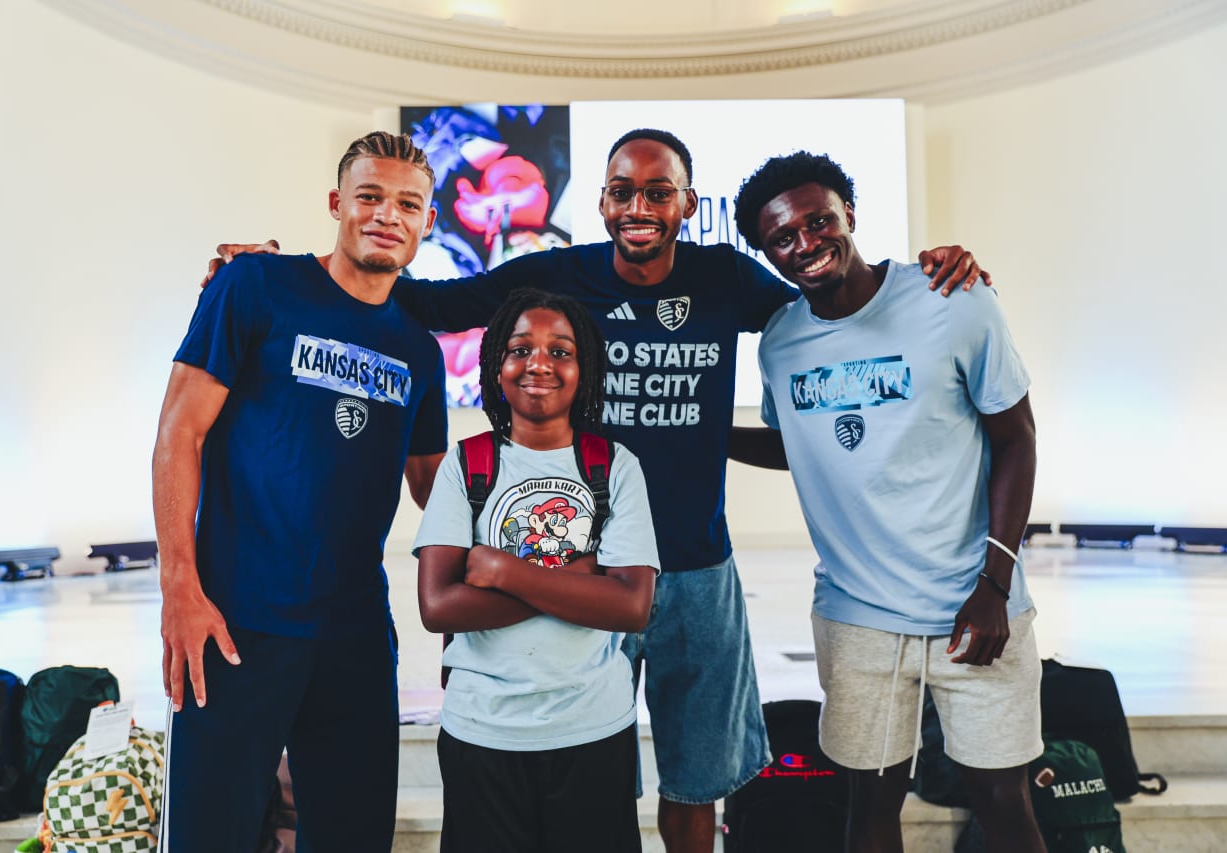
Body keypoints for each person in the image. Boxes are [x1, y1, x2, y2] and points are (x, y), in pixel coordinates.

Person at [203, 127, 990, 852]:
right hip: (576, 566)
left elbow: (831, 293)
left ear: (687, 201)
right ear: (602, 200)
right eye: (622, 190)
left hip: (694, 571)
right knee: (590, 766)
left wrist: (922, 278)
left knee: (694, 778)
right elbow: (428, 299)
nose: (639, 206)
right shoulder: (558, 274)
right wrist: (281, 274)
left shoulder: (725, 278)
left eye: (659, 191)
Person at [728, 150, 1044, 853]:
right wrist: (707, 437)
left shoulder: (951, 298)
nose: (806, 243)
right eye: (783, 236)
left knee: (1001, 798)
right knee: (868, 802)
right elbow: (798, 443)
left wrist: (994, 581)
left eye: (820, 221)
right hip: (857, 616)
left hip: (976, 604)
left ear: (849, 215)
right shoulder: (780, 343)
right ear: (766, 250)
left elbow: (1016, 437)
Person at [152, 131, 448, 852]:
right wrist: (180, 590)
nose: (387, 215)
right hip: (234, 623)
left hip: (353, 635)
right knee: (208, 835)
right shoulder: (254, 286)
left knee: (353, 837)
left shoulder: (419, 346)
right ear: (336, 204)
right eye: (370, 196)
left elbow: (435, 489)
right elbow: (177, 437)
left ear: (428, 221)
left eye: (407, 203)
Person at [414, 287, 660, 852]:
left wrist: (503, 570)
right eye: (521, 348)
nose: (540, 364)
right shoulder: (467, 463)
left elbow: (631, 607)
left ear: (585, 367)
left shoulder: (616, 466)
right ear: (496, 365)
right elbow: (439, 607)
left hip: (593, 728)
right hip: (483, 731)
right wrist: (580, 578)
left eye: (562, 351)